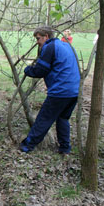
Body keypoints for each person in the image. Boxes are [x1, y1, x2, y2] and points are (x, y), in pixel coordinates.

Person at [20, 26, 80, 154]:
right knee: (63, 118)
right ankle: (65, 148)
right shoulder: (66, 45)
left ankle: (27, 146)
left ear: (46, 36)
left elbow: (40, 70)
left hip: (60, 91)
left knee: (44, 119)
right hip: (74, 91)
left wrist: (27, 70)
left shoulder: (50, 47)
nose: (37, 42)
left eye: (38, 38)